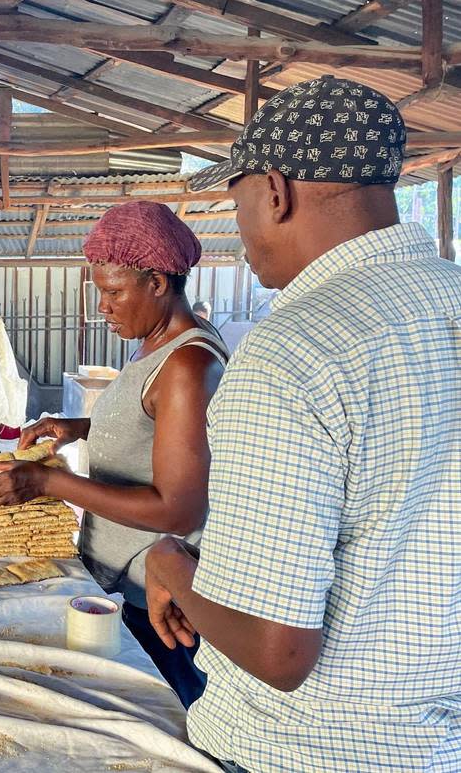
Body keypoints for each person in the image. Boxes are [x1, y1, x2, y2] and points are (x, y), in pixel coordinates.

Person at [144, 76, 461, 772]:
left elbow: (276, 649)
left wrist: (168, 562)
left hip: (306, 751)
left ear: (276, 192)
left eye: (239, 202)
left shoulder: (297, 351)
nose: (241, 230)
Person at [0, 200, 227, 708]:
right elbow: (156, 427)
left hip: (155, 596)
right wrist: (78, 426)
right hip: (124, 579)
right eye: (100, 292)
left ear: (158, 283)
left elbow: (178, 510)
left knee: (171, 720)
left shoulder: (187, 365)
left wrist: (47, 483)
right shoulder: (158, 347)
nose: (104, 307)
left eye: (114, 292)